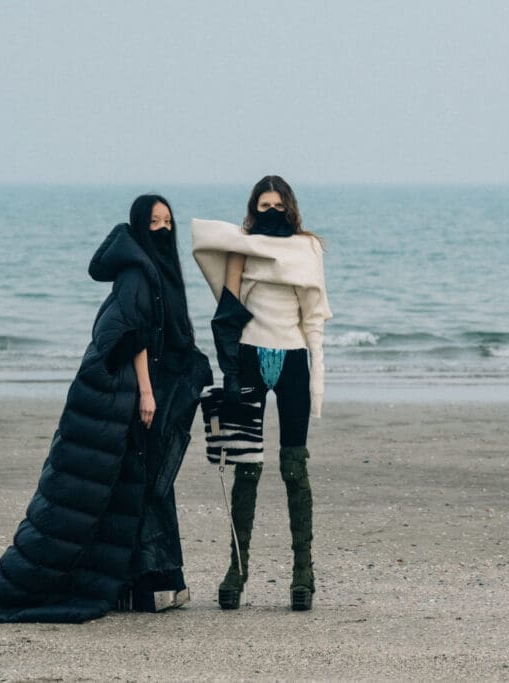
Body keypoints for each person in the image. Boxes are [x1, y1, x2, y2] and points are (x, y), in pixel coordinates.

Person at [0, 194, 212, 623]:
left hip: (135, 396)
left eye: (167, 222)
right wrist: (146, 391)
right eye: (154, 222)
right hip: (127, 396)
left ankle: (144, 583)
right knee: (122, 488)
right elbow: (134, 335)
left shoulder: (154, 269)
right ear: (139, 226)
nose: (162, 229)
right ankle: (133, 584)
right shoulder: (137, 271)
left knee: (134, 488)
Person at [192, 175, 331, 611]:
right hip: (250, 356)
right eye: (264, 206)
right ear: (254, 208)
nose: (272, 212)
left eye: (278, 205)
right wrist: (230, 370)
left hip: (293, 360)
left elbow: (313, 316)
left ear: (290, 207)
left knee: (294, 466)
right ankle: (236, 571)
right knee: (246, 465)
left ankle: (303, 574)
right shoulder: (242, 246)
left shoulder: (307, 248)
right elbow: (227, 312)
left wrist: (318, 373)